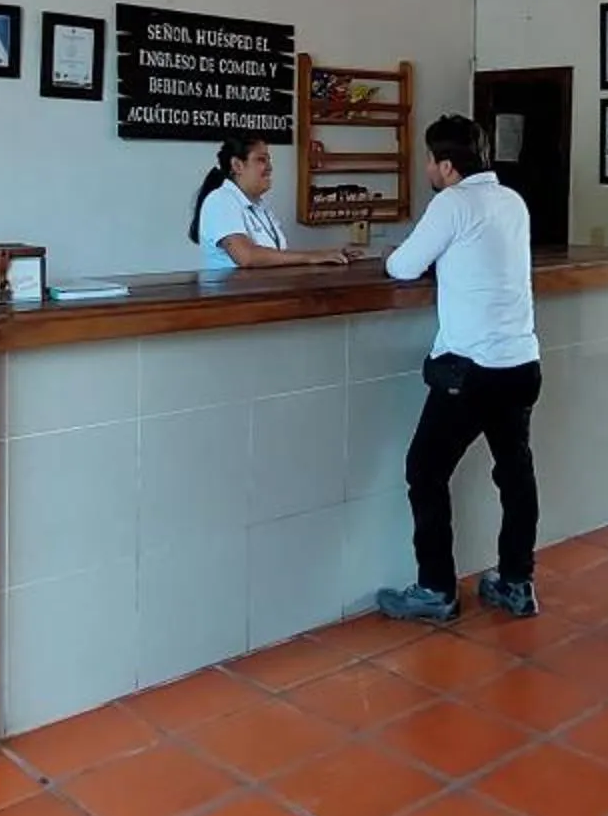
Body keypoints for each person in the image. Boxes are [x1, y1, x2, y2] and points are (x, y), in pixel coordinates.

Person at [374, 114, 542, 622]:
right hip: (521, 363)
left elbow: (402, 266)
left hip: (469, 371)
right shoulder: (512, 200)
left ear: (446, 166)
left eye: (429, 159)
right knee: (515, 475)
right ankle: (517, 582)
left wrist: (402, 255)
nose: (426, 167)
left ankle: (436, 589)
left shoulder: (453, 203)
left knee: (424, 471)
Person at [191, 134, 352, 272]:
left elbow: (276, 255)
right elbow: (247, 257)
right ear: (237, 165)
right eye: (261, 160)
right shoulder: (221, 199)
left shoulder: (260, 206)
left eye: (269, 160)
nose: (270, 167)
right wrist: (312, 257)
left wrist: (327, 256)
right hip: (234, 303)